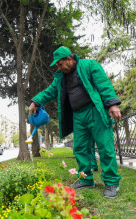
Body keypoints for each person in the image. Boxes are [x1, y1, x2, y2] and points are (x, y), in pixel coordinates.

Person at [29, 46, 122, 198]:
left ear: (69, 59)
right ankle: (86, 179)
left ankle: (111, 182)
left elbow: (103, 84)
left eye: (60, 64)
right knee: (79, 148)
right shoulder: (60, 77)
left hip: (95, 111)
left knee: (105, 146)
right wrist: (36, 101)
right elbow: (50, 91)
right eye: (57, 66)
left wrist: (112, 104)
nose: (58, 68)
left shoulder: (89, 66)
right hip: (78, 116)